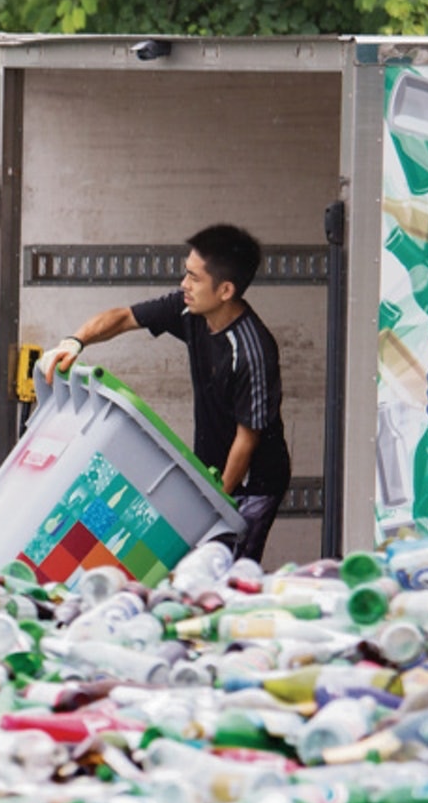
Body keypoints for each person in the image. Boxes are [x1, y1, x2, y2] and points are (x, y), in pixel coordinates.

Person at [37, 223, 291, 565]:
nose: (183, 285)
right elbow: (124, 318)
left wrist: (217, 504)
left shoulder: (252, 352)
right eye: (185, 274)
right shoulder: (190, 311)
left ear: (226, 290)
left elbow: (247, 441)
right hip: (211, 469)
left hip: (251, 484)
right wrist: (75, 341)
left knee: (225, 570)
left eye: (194, 278)